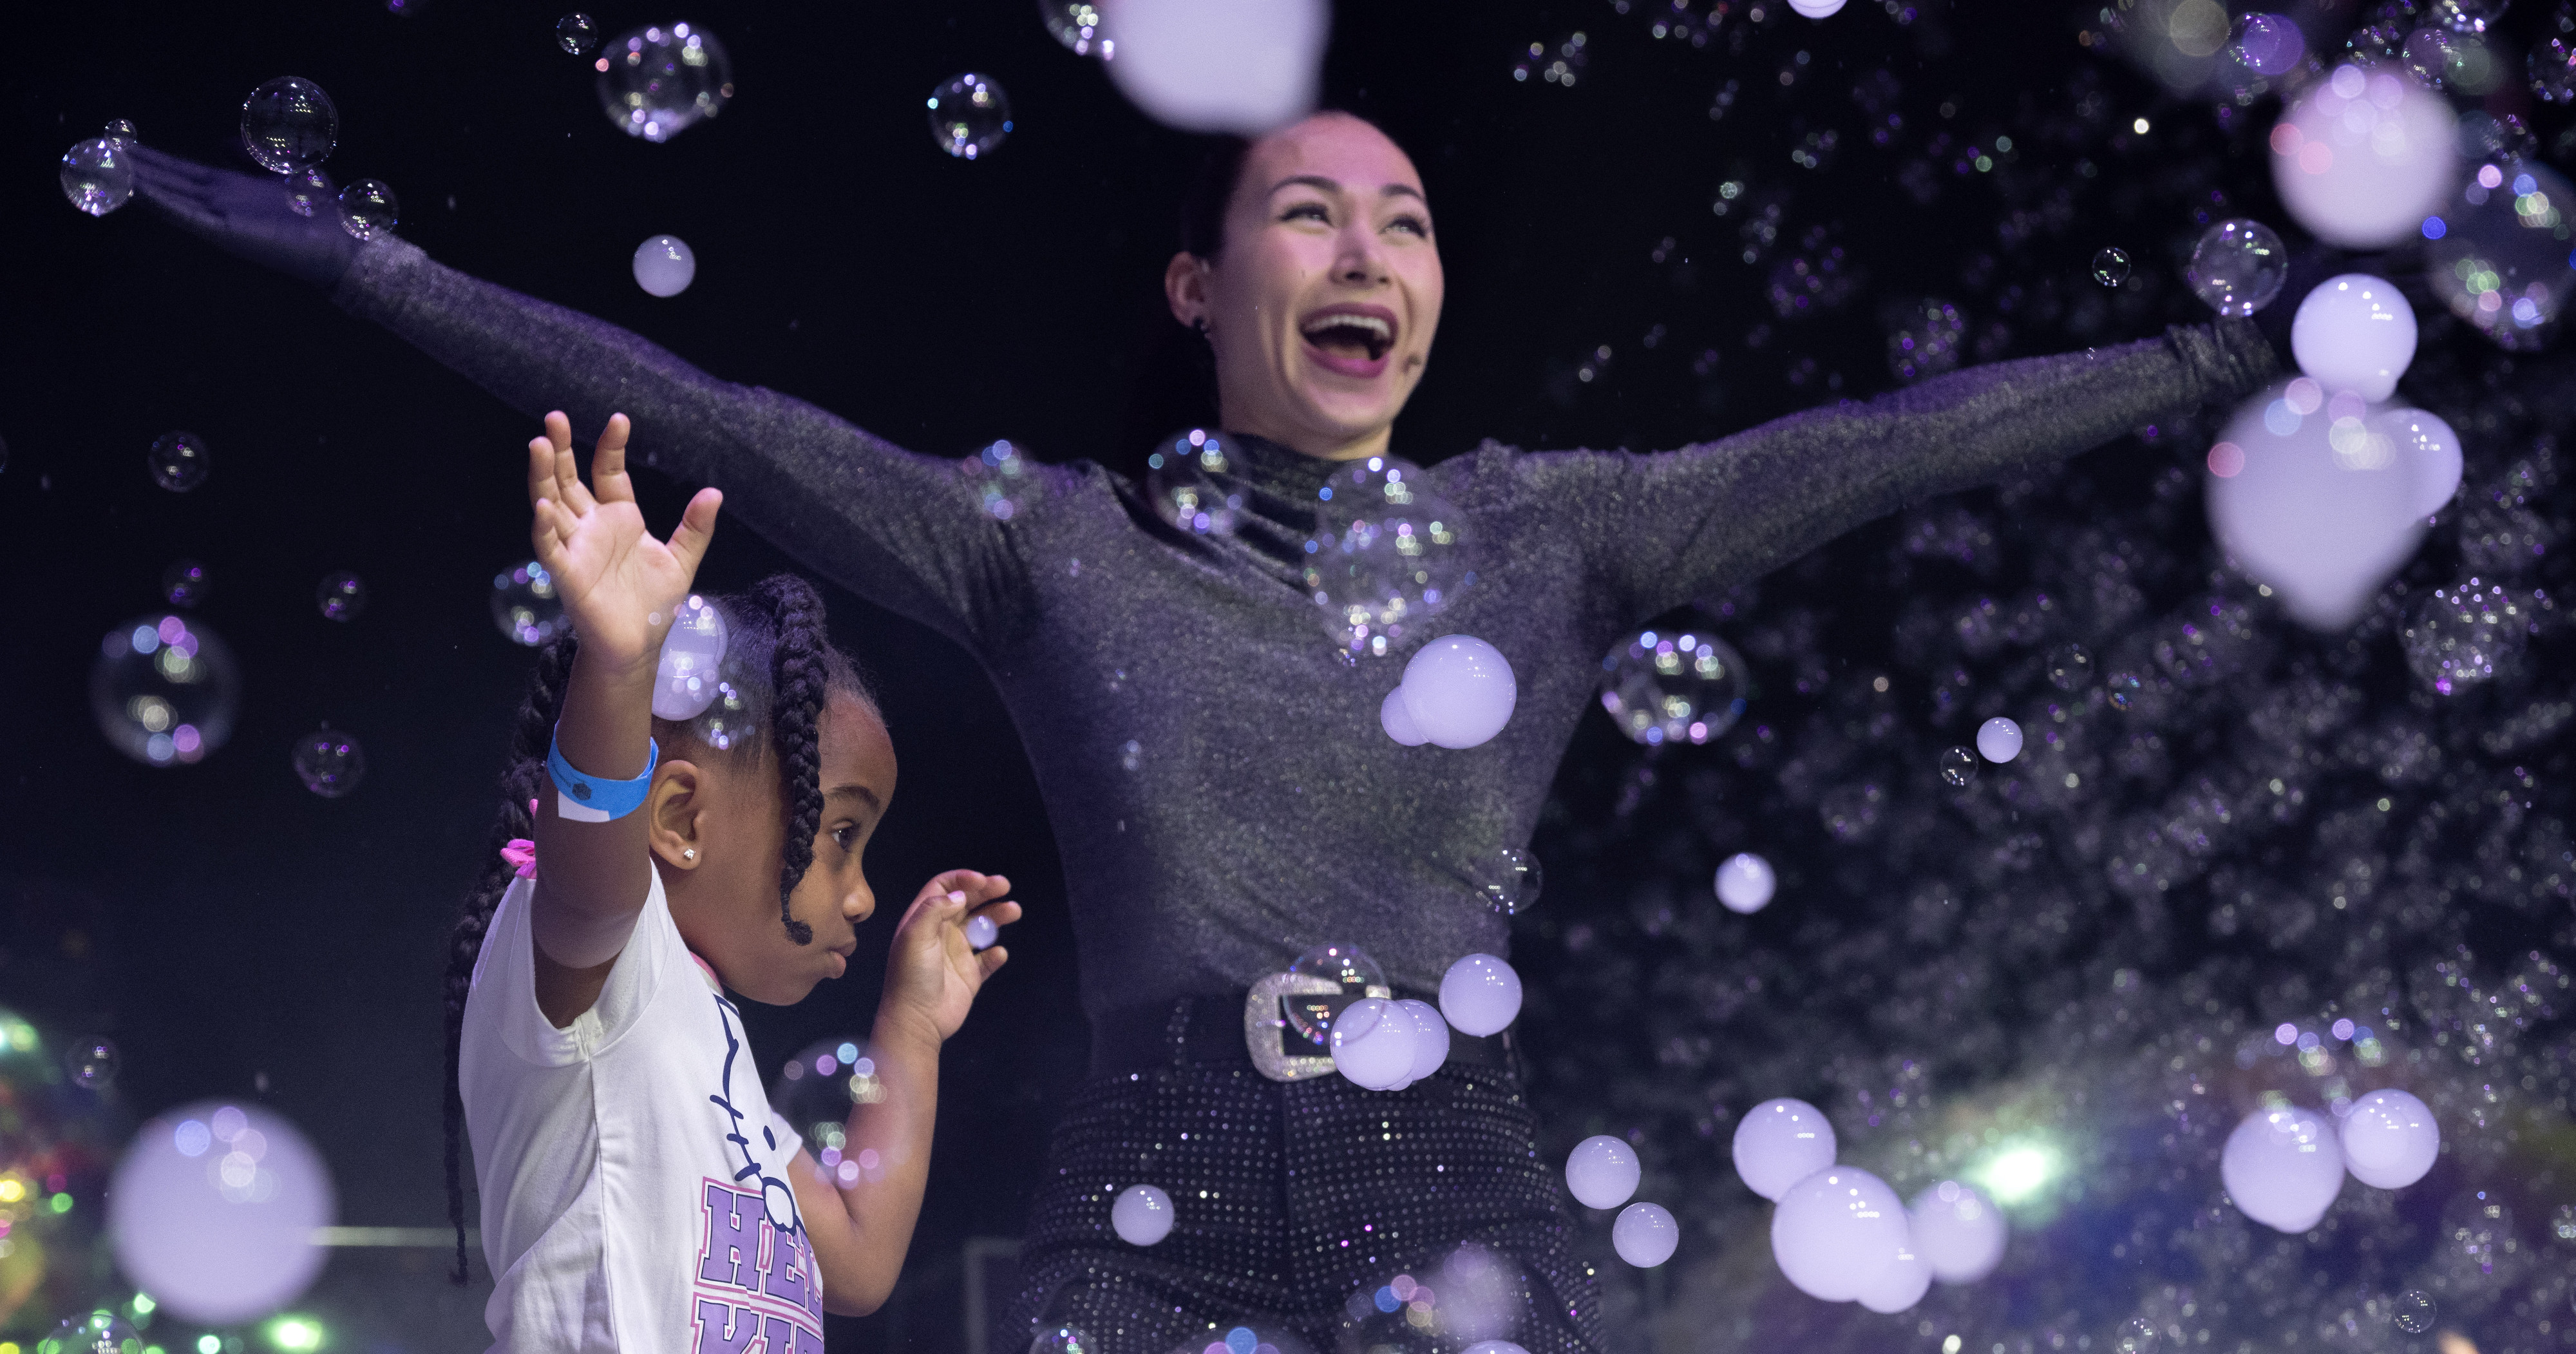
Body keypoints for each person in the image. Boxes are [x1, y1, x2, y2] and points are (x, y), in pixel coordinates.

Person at [133, 108, 2276, 1352]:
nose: (1374, 250)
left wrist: (2199, 347)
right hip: (1155, 1182)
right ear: (1201, 288)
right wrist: (366, 268)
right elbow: (739, 430)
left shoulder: (1556, 529)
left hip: (1454, 1171)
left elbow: (1876, 442)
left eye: (1410, 221)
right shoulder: (1051, 548)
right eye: (1314, 212)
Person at [446, 408, 1020, 1350]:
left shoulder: (720, 1071)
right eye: (840, 834)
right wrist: (621, 663)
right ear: (676, 821)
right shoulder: (607, 966)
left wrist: (911, 1026)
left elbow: (863, 1261)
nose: (864, 893)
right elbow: (592, 871)